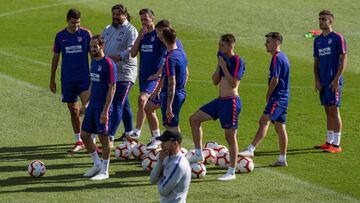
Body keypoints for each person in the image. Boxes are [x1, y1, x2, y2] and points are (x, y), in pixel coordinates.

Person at [189, 34, 245, 181]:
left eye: (222, 45)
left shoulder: (238, 60)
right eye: (219, 44)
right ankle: (199, 153)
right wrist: (218, 66)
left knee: (230, 137)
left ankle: (231, 171)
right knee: (194, 119)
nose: (219, 47)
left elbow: (233, 83)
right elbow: (215, 81)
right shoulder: (221, 57)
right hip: (220, 101)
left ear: (230, 46)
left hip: (231, 102)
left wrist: (224, 66)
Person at [238, 32, 290, 167]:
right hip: (283, 98)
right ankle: (282, 159)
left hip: (277, 98)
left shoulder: (277, 58)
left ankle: (251, 149)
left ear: (276, 43)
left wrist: (268, 94)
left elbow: (275, 79)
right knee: (280, 127)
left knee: (263, 121)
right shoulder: (282, 57)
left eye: (268, 42)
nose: (265, 44)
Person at [50, 8, 92, 153]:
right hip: (68, 80)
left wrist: (96, 75)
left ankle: (91, 141)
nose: (76, 25)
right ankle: (78, 140)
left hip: (84, 79)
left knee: (90, 108)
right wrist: (52, 79)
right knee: (73, 111)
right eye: (73, 22)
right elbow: (55, 58)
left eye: (78, 22)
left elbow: (93, 54)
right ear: (67, 20)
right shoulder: (60, 36)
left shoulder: (86, 34)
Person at [145, 19, 186, 149]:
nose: (157, 36)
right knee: (171, 123)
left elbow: (172, 82)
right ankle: (171, 148)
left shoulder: (171, 57)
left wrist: (168, 105)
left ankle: (176, 153)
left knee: (171, 127)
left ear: (164, 36)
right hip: (174, 93)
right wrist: (157, 89)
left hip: (171, 95)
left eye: (158, 33)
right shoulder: (178, 53)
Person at [81, 35, 117, 180]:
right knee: (84, 135)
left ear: (101, 46)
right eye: (90, 47)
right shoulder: (94, 62)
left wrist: (105, 110)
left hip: (103, 106)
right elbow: (93, 84)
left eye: (95, 47)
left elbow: (112, 88)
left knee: (104, 138)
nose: (92, 49)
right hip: (93, 105)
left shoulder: (108, 63)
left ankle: (105, 170)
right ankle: (96, 164)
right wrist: (86, 103)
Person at [102, 4, 138, 143]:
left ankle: (109, 136)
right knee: (124, 103)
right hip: (111, 72)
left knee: (116, 103)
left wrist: (115, 57)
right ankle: (129, 133)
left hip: (125, 73)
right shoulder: (108, 29)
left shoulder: (131, 30)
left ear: (125, 15)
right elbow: (101, 43)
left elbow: (131, 49)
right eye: (114, 14)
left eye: (118, 14)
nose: (115, 17)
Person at [129, 9, 166, 143]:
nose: (143, 22)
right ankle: (155, 138)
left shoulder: (160, 35)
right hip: (144, 76)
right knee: (147, 106)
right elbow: (133, 54)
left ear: (152, 18)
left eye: (146, 19)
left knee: (142, 100)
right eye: (142, 20)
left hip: (154, 77)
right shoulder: (142, 35)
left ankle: (137, 132)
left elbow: (167, 57)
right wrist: (139, 36)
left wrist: (159, 73)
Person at [313, 10, 347, 153]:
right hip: (323, 81)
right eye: (320, 19)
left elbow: (344, 58)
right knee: (327, 110)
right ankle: (329, 142)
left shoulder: (338, 38)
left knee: (334, 110)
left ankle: (337, 145)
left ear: (330, 21)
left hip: (333, 81)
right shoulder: (317, 40)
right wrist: (317, 80)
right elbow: (316, 62)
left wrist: (337, 78)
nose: (321, 22)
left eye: (324, 19)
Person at [150, 130, 191, 203]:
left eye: (164, 141)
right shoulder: (165, 157)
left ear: (175, 143)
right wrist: (160, 161)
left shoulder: (178, 164)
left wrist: (160, 176)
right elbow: (152, 180)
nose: (161, 145)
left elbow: (163, 191)